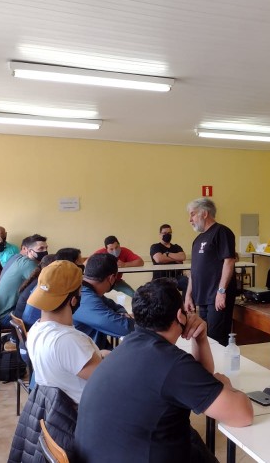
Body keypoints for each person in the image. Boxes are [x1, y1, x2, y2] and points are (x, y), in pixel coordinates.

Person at [75, 278, 253, 462]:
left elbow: (201, 384)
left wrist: (200, 339)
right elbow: (242, 415)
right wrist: (227, 386)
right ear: (180, 315)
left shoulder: (128, 345)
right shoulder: (171, 363)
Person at [26, 260, 107, 404]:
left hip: (56, 414)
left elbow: (68, 362)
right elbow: (109, 379)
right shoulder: (67, 340)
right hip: (84, 417)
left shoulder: (36, 330)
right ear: (74, 300)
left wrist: (100, 355)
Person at [184, 198, 238, 346]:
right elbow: (194, 270)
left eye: (193, 214)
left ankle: (220, 369)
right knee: (205, 338)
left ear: (205, 213)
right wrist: (189, 295)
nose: (190, 220)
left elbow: (229, 261)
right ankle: (208, 369)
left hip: (217, 297)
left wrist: (221, 291)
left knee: (216, 339)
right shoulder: (197, 240)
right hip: (202, 298)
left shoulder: (222, 232)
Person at [73, 253, 135, 349]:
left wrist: (121, 313)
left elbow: (114, 305)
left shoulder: (86, 290)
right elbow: (125, 328)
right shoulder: (85, 298)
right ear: (111, 278)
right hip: (87, 356)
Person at [0, 234, 48, 328]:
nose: (45, 251)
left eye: (46, 248)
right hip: (7, 317)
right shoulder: (28, 264)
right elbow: (45, 285)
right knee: (52, 316)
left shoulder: (17, 258)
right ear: (28, 250)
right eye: (41, 248)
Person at [150, 223, 187, 291]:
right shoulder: (155, 247)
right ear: (160, 234)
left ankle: (185, 301)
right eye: (164, 233)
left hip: (175, 277)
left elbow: (183, 257)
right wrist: (175, 259)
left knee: (187, 282)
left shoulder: (176, 247)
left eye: (169, 233)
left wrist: (167, 254)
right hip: (160, 278)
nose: (167, 235)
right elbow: (159, 259)